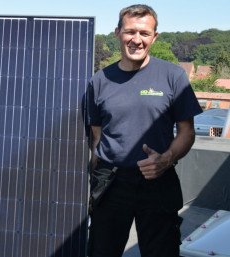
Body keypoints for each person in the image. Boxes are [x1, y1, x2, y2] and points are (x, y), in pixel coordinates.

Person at [85, 4, 202, 257]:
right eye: (130, 32)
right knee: (101, 252)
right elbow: (96, 138)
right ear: (117, 33)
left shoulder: (173, 76)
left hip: (159, 181)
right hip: (111, 183)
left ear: (154, 37)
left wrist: (166, 159)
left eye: (144, 33)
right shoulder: (99, 80)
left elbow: (187, 132)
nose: (136, 40)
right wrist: (93, 183)